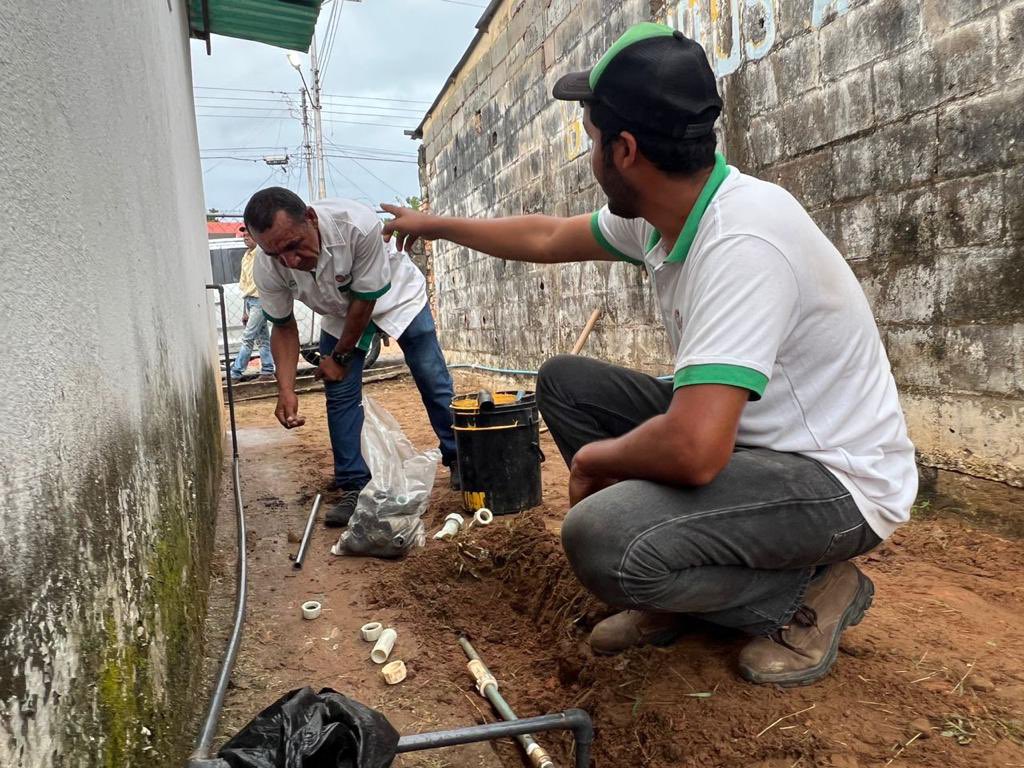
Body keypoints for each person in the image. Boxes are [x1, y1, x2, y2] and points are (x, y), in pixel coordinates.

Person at [380, 22, 917, 687]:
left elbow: (695, 450)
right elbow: (547, 236)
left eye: (591, 139)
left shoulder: (744, 240)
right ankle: (679, 585)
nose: (590, 154)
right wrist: (432, 225)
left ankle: (805, 597)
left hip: (834, 482)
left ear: (625, 150)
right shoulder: (667, 212)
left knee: (599, 538)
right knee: (567, 385)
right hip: (755, 444)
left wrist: (600, 463)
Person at [243, 189, 459, 527]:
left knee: (431, 378)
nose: (290, 261)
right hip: (340, 311)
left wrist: (339, 357)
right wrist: (285, 388)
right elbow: (283, 327)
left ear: (311, 219)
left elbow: (365, 301)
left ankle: (460, 459)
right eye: (276, 253)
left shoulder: (357, 226)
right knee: (339, 394)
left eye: (293, 245)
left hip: (397, 298)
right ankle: (354, 485)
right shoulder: (268, 266)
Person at [229, 225, 277, 382]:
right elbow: (244, 285)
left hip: (260, 300)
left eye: (249, 235)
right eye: (243, 235)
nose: (245, 237)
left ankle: (235, 373)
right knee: (262, 339)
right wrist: (245, 310)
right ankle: (268, 371)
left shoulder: (260, 254)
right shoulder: (246, 256)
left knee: (247, 338)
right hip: (250, 300)